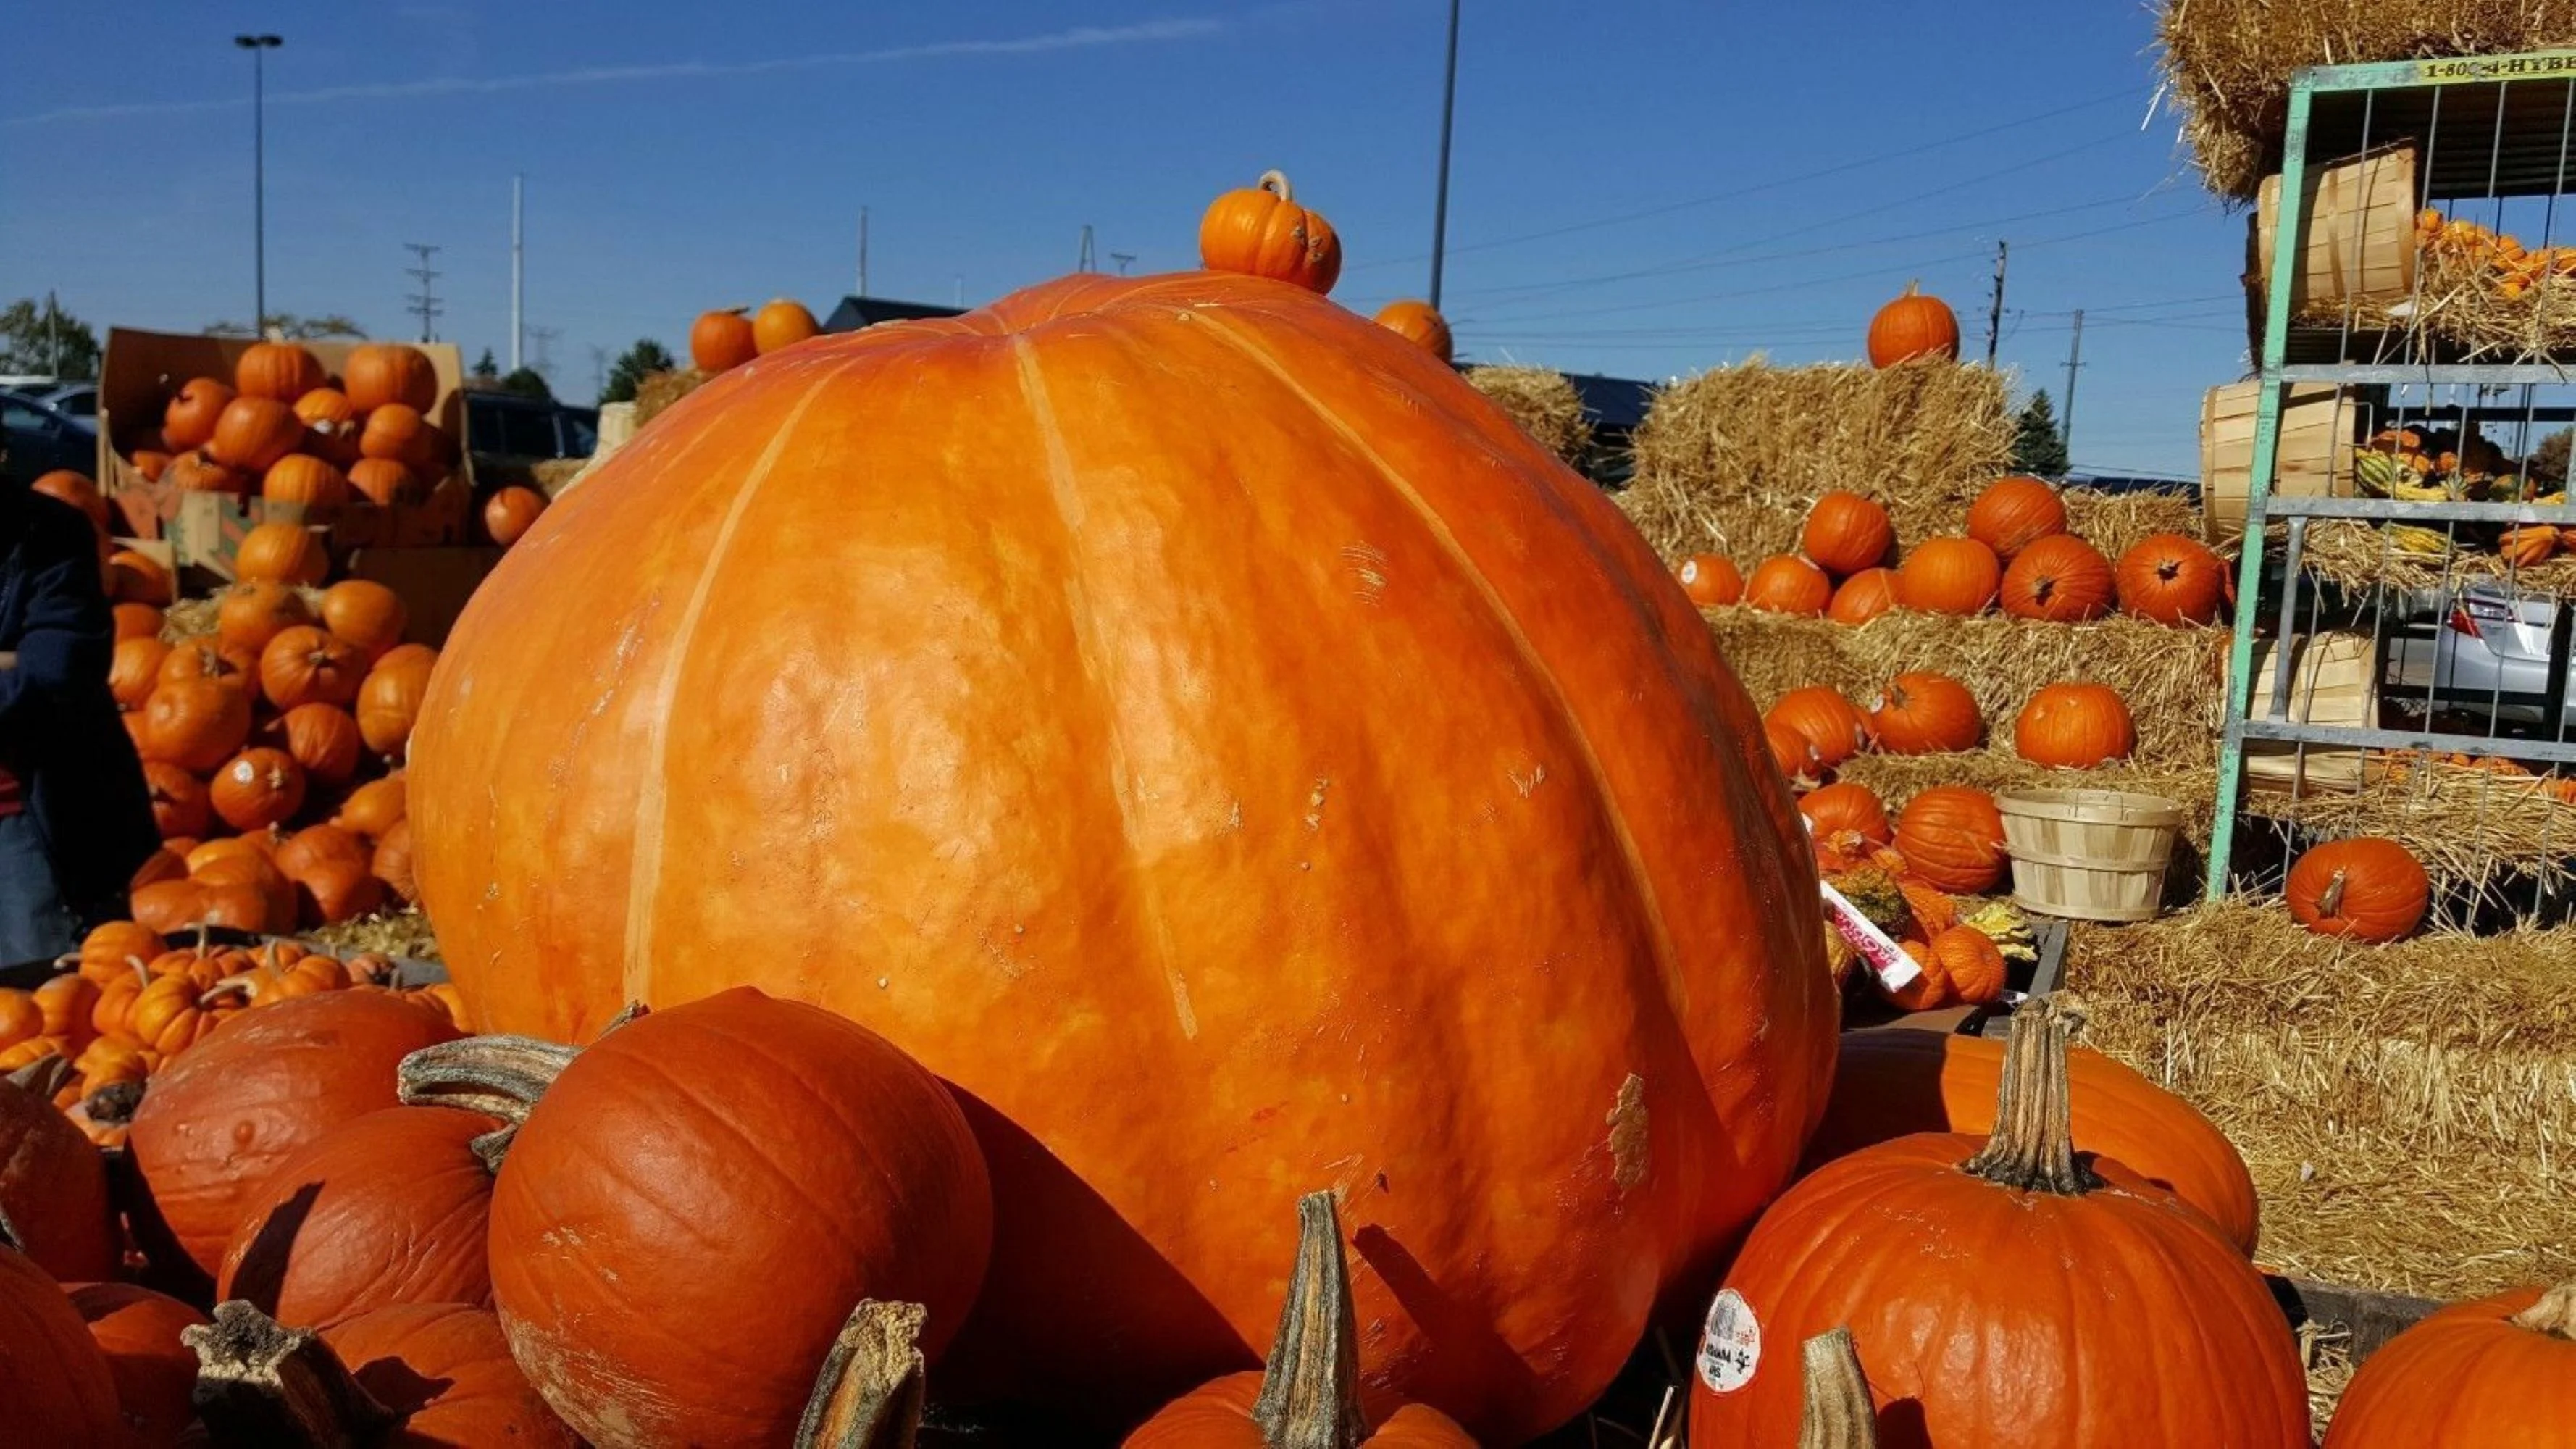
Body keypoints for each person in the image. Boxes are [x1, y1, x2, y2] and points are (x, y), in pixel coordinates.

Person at [0, 474, 159, 961]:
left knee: (42, 1008)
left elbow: (53, 676)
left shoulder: (51, 532)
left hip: (28, 822)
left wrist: (17, 669)